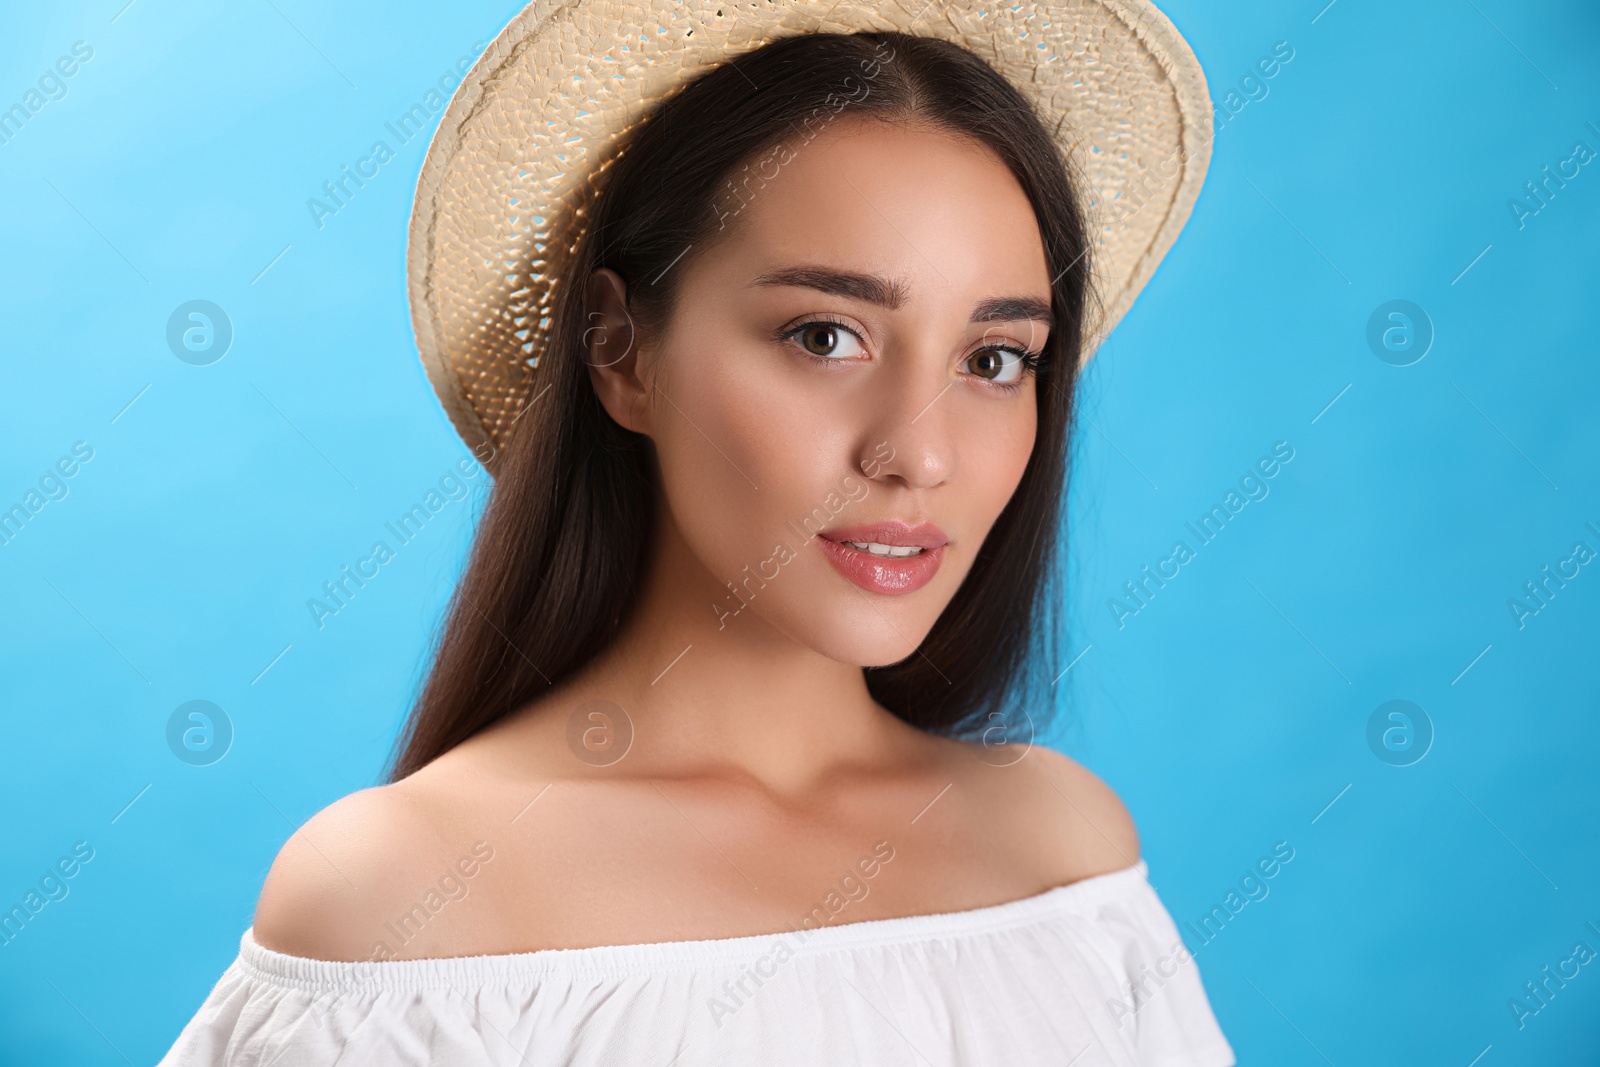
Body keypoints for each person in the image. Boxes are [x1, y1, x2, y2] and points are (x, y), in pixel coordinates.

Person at [159, 8, 1231, 1065]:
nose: (921, 454)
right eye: (826, 335)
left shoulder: (1061, 857)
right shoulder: (400, 894)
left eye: (994, 358)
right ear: (621, 351)